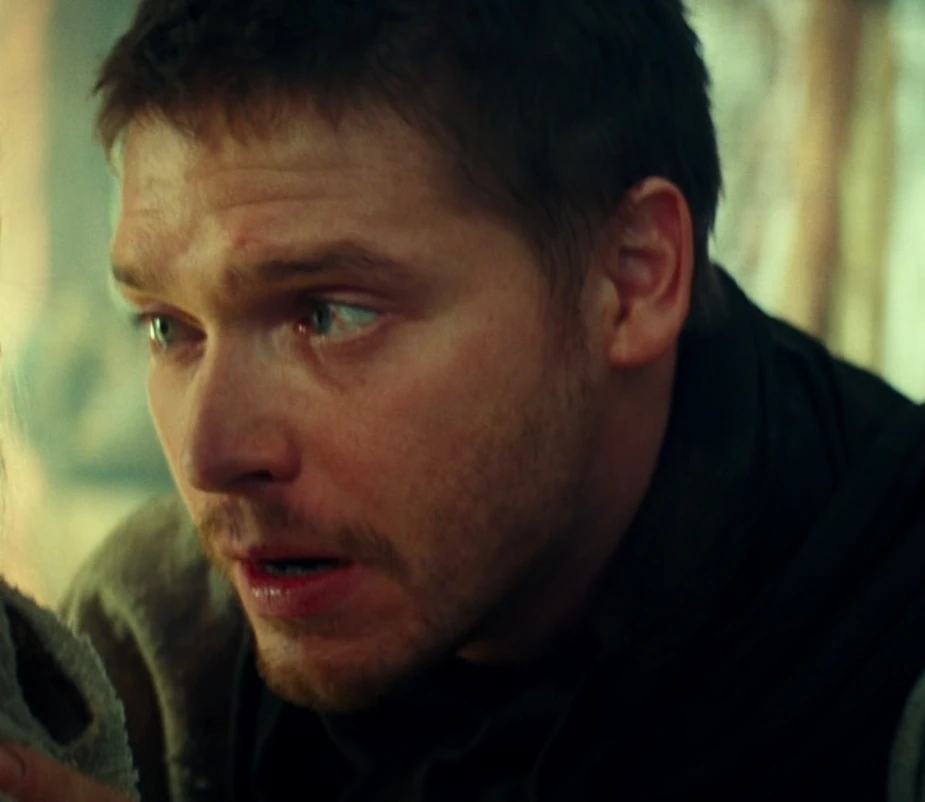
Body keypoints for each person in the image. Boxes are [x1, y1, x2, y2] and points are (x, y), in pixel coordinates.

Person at [9, 0, 925, 800]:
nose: (209, 456)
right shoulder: (158, 642)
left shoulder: (891, 656)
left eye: (329, 315)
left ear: (632, 275)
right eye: (168, 327)